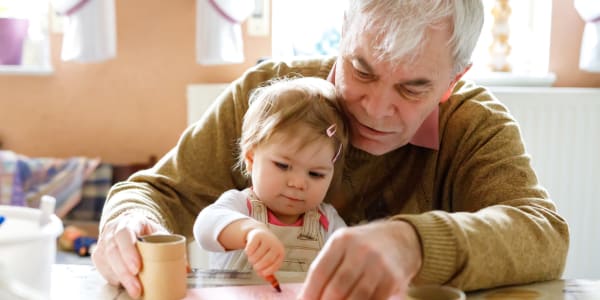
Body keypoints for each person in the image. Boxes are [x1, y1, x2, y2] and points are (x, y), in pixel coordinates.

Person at [92, 1, 569, 299]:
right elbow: (159, 192)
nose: (377, 109)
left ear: (453, 81)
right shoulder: (270, 95)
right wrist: (125, 222)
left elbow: (543, 234)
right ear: (344, 33)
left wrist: (413, 243)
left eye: (413, 89)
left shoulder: (474, 125)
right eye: (361, 69)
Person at [193, 77, 348, 279]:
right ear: (251, 159)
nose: (299, 183)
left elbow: (351, 257)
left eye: (316, 174)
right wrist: (248, 231)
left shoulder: (326, 221)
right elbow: (204, 228)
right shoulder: (241, 206)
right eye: (283, 166)